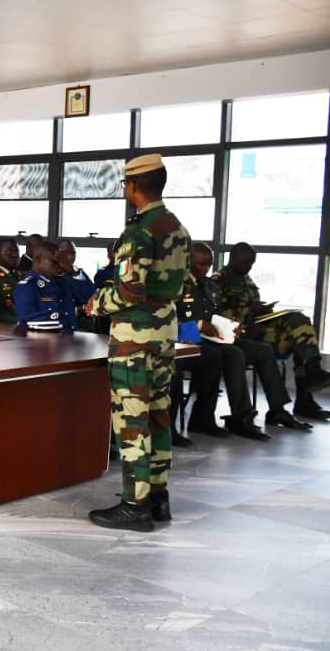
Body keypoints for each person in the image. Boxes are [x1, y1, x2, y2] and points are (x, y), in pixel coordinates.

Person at [87, 153, 190, 532]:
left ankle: (135, 505)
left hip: (135, 337)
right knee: (160, 413)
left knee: (132, 420)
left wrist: (97, 303)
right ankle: (158, 498)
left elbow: (129, 292)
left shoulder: (139, 231)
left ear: (132, 187)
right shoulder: (176, 227)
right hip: (165, 331)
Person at [212, 241, 330, 424]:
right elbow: (217, 316)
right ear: (233, 258)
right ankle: (305, 387)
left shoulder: (246, 280)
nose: (248, 267)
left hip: (256, 325)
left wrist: (262, 310)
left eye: (251, 264)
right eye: (245, 263)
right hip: (239, 332)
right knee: (297, 338)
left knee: (298, 321)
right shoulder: (219, 281)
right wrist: (250, 311)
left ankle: (306, 392)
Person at [176, 243, 278, 440]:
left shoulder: (208, 285)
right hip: (186, 339)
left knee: (239, 351)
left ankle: (210, 418)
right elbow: (169, 319)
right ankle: (235, 416)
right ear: (189, 262)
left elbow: (215, 315)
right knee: (227, 354)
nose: (206, 269)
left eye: (209, 264)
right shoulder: (178, 285)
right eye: (201, 264)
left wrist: (231, 326)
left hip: (212, 337)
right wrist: (198, 325)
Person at [14, 243, 78, 331]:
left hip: (70, 338)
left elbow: (89, 298)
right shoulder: (27, 287)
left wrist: (73, 272)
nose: (58, 265)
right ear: (38, 259)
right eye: (54, 261)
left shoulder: (63, 282)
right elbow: (27, 323)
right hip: (44, 340)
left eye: (60, 261)